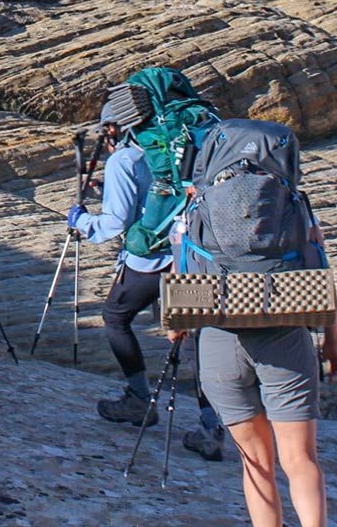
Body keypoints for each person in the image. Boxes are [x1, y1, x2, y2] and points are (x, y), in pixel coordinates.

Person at [70, 110, 225, 461]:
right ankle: (211, 425)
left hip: (150, 262)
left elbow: (114, 223)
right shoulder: (184, 148)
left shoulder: (124, 157)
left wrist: (81, 222)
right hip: (191, 255)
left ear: (115, 127)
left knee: (115, 317)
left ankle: (139, 399)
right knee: (197, 342)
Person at [177, 220, 337, 526]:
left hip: (220, 342)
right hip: (286, 336)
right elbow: (322, 274)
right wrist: (332, 343)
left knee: (255, 463)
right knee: (300, 459)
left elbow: (182, 295)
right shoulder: (294, 208)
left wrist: (178, 331)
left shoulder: (194, 212)